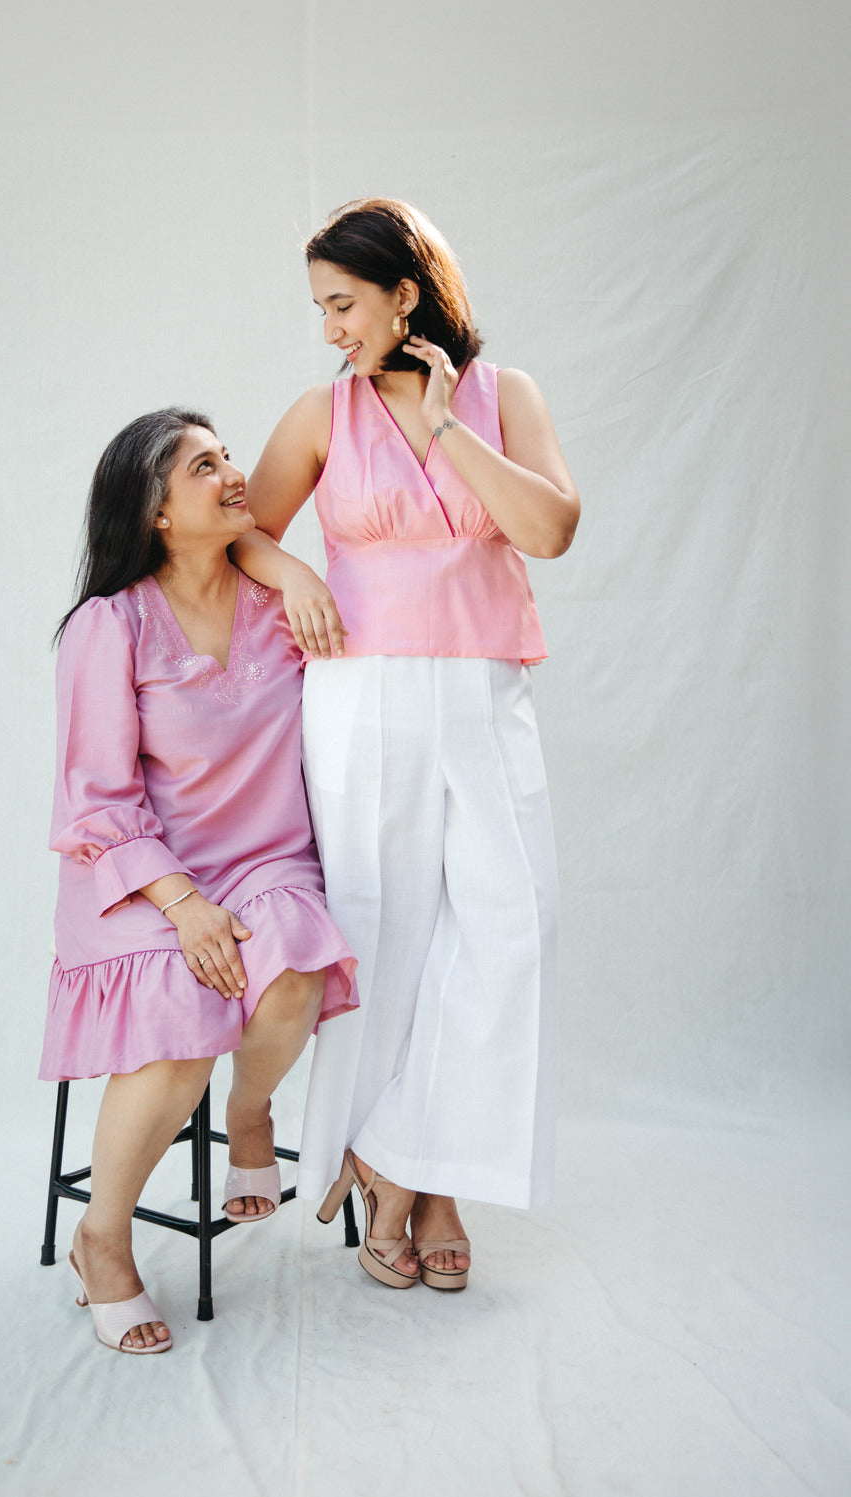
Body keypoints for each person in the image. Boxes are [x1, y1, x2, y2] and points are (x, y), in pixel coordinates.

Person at [231, 198, 579, 1292]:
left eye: (343, 304)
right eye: (321, 308)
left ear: (405, 295)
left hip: (482, 687)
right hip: (364, 693)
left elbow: (550, 530)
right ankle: (413, 1184)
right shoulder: (321, 413)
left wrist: (440, 424)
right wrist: (290, 570)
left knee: (513, 924)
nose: (331, 327)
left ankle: (408, 1153)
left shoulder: (503, 396)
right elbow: (241, 526)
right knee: (382, 931)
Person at [41, 408, 357, 1352]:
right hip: (139, 875)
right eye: (202, 467)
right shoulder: (110, 626)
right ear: (156, 515)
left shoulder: (280, 608)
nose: (232, 474)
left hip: (265, 859)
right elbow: (96, 798)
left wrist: (291, 564)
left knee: (294, 970)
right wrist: (181, 905)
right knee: (183, 1020)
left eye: (227, 456)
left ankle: (250, 1114)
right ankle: (102, 1240)